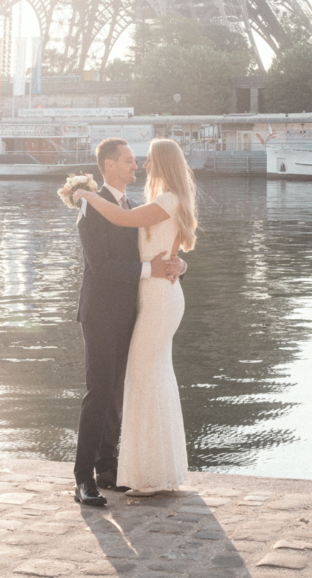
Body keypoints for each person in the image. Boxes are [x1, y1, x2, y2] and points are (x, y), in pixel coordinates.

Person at [74, 137, 197, 496]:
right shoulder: (92, 209)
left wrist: (179, 265)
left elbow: (160, 250)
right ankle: (83, 478)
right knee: (99, 392)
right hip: (101, 310)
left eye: (137, 160)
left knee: (116, 392)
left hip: (137, 309)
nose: (136, 166)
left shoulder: (136, 205)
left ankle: (108, 468)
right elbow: (102, 266)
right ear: (109, 165)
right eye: (129, 160)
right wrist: (151, 270)